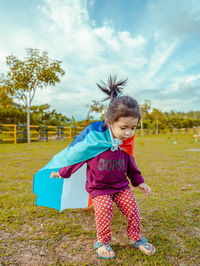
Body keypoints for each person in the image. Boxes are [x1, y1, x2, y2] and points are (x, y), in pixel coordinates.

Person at [50, 75, 156, 259]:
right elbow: (77, 158)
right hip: (99, 189)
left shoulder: (125, 143)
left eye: (133, 128)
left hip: (121, 187)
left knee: (132, 210)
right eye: (123, 127)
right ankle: (102, 241)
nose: (128, 132)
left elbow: (131, 164)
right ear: (109, 122)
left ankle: (136, 238)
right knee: (105, 211)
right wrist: (61, 172)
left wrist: (139, 182)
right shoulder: (94, 142)